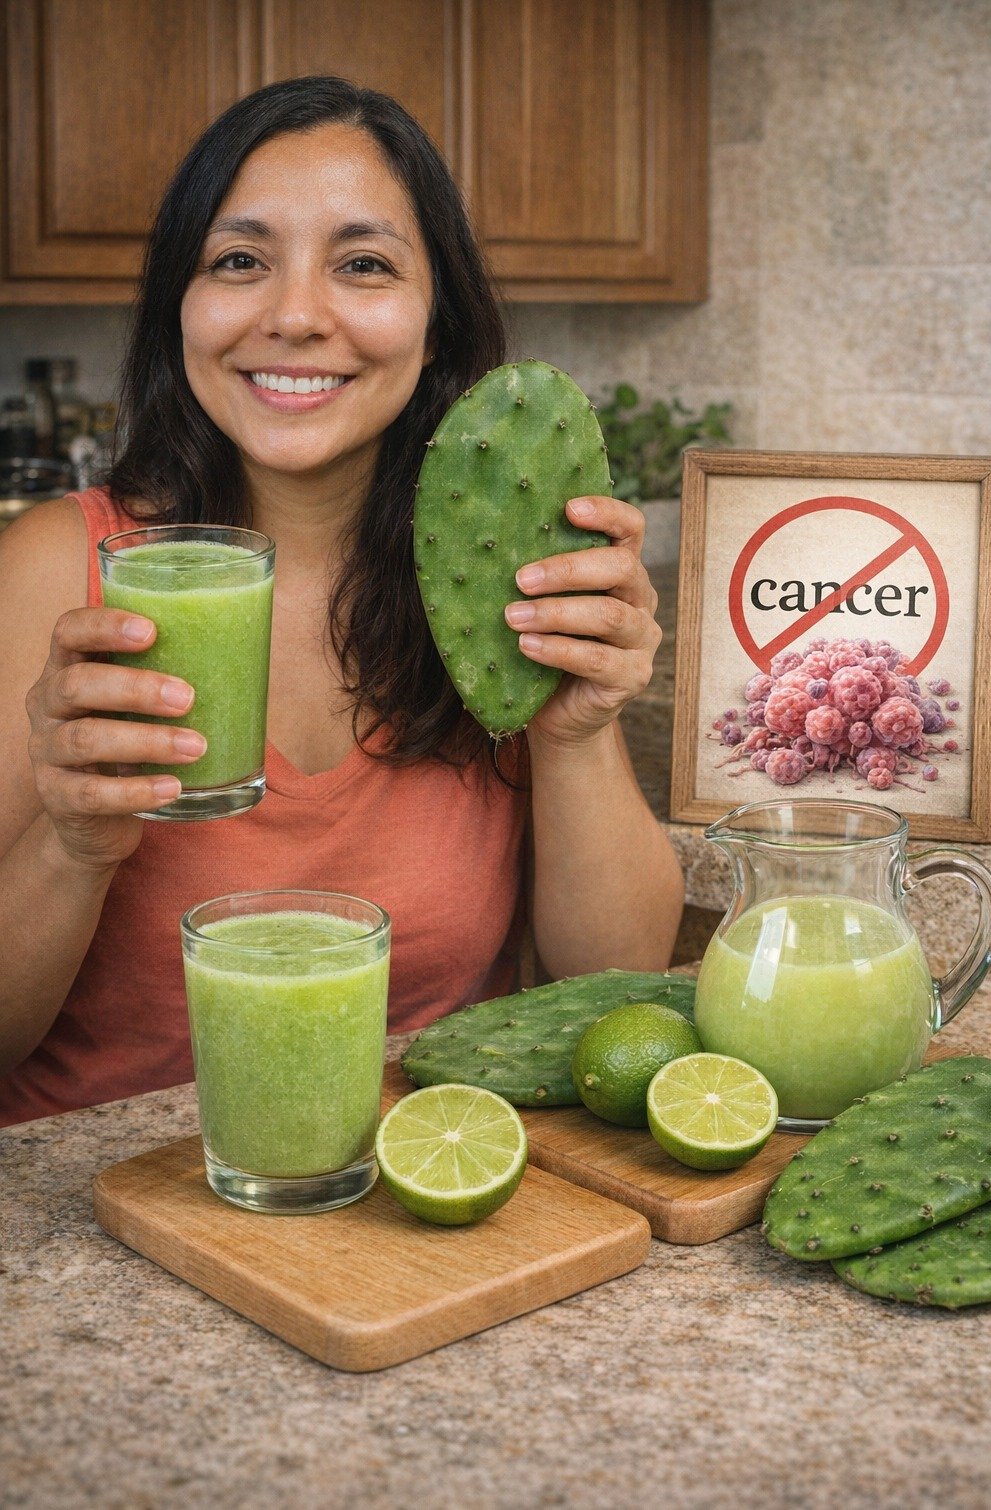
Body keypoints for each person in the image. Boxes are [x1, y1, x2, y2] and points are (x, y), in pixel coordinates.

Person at [0, 76, 684, 1126]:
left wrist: (576, 731)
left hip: (417, 1180)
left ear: (435, 316)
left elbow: (608, 995)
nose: (296, 316)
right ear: (179, 305)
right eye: (239, 261)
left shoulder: (503, 578)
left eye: (362, 264)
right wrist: (74, 841)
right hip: (98, 1215)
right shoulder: (60, 570)